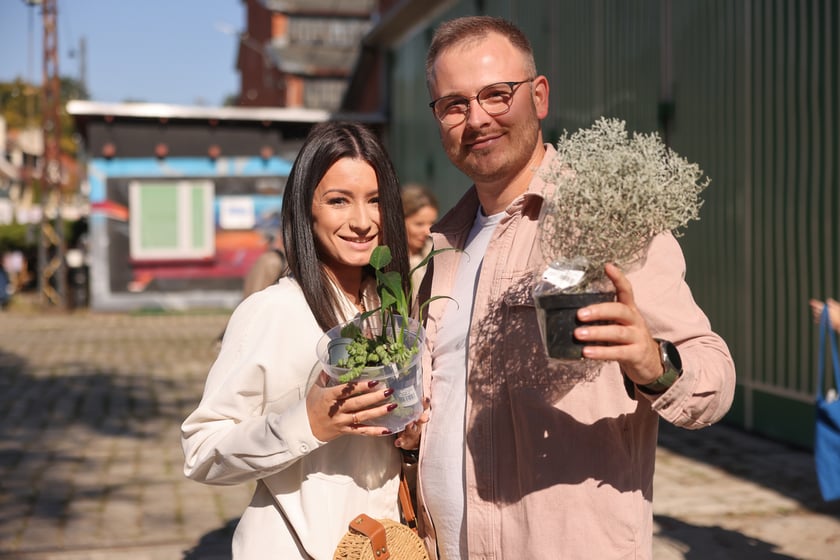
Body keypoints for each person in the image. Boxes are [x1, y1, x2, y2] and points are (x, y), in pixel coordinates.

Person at [413, 16, 736, 559]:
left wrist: (653, 363)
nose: (477, 119)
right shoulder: (442, 248)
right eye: (454, 104)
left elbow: (715, 376)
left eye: (497, 95)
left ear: (539, 97)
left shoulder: (604, 218)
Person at [181, 121, 418, 559]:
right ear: (305, 209)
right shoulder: (272, 311)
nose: (362, 222)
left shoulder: (396, 307)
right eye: (338, 201)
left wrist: (415, 432)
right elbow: (201, 450)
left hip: (387, 545)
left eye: (374, 201)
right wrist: (306, 423)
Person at [401, 183, 439, 290]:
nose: (428, 231)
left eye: (432, 223)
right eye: (419, 224)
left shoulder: (436, 255)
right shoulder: (385, 262)